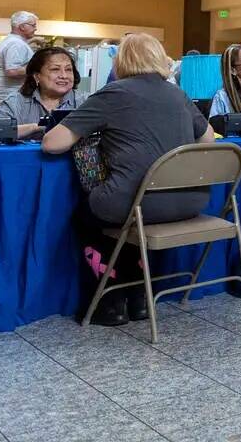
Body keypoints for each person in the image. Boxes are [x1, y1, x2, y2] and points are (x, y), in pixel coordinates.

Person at [42, 33, 215, 326]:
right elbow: (208, 138)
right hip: (191, 201)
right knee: (131, 215)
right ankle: (139, 299)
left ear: (121, 60)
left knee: (91, 216)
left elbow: (52, 143)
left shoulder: (114, 93)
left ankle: (109, 303)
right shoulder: (177, 94)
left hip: (137, 203)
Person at [0, 47, 84, 140]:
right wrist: (35, 127)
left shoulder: (85, 102)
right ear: (37, 76)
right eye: (55, 69)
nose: (64, 76)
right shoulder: (16, 102)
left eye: (68, 69)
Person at [0, 11, 37, 104]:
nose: (35, 29)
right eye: (33, 25)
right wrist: (38, 67)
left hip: (7, 97)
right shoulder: (16, 44)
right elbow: (12, 71)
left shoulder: (13, 41)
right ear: (22, 27)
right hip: (9, 98)